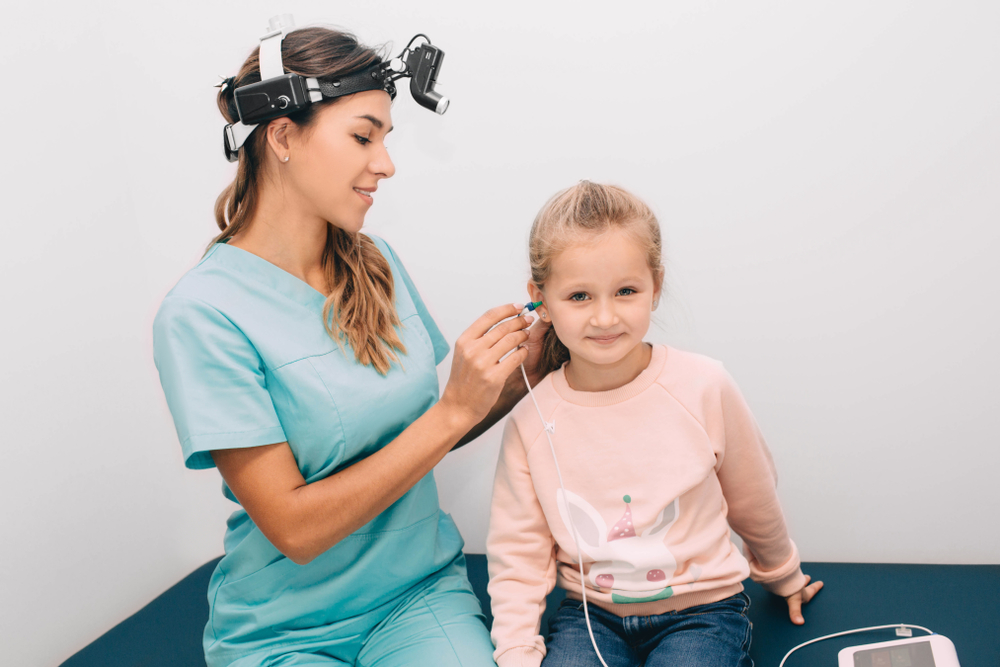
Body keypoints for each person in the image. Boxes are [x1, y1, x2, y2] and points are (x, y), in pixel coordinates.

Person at [153, 26, 547, 667]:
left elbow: (423, 432)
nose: (385, 163)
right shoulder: (202, 315)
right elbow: (296, 529)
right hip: (284, 629)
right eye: (363, 136)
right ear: (281, 136)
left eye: (385, 140)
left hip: (415, 599)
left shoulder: (377, 264)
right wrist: (452, 410)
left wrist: (532, 362)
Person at [485, 182, 824, 667]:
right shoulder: (531, 419)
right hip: (590, 617)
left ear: (656, 286)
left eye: (626, 291)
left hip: (703, 612)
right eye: (579, 296)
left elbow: (753, 495)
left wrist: (781, 572)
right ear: (539, 299)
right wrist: (517, 650)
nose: (605, 317)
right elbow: (519, 552)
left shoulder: (705, 385)